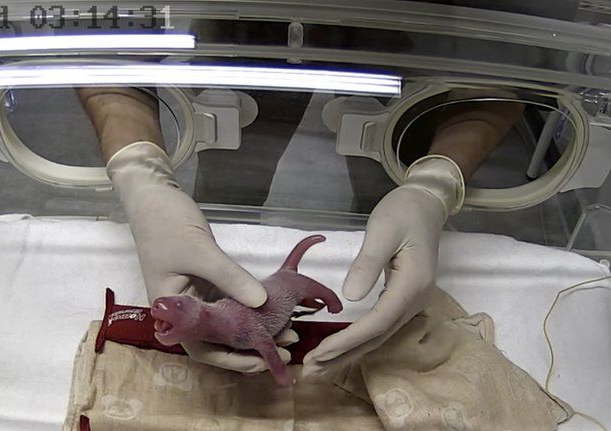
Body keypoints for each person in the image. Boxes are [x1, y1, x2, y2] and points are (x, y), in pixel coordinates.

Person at [77, 85, 522, 375]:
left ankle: (388, 207)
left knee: (378, 163)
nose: (166, 309)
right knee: (234, 167)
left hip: (413, 72)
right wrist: (139, 170)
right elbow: (98, 28)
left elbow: (520, 56)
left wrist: (434, 183)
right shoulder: (214, 320)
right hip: (239, 53)